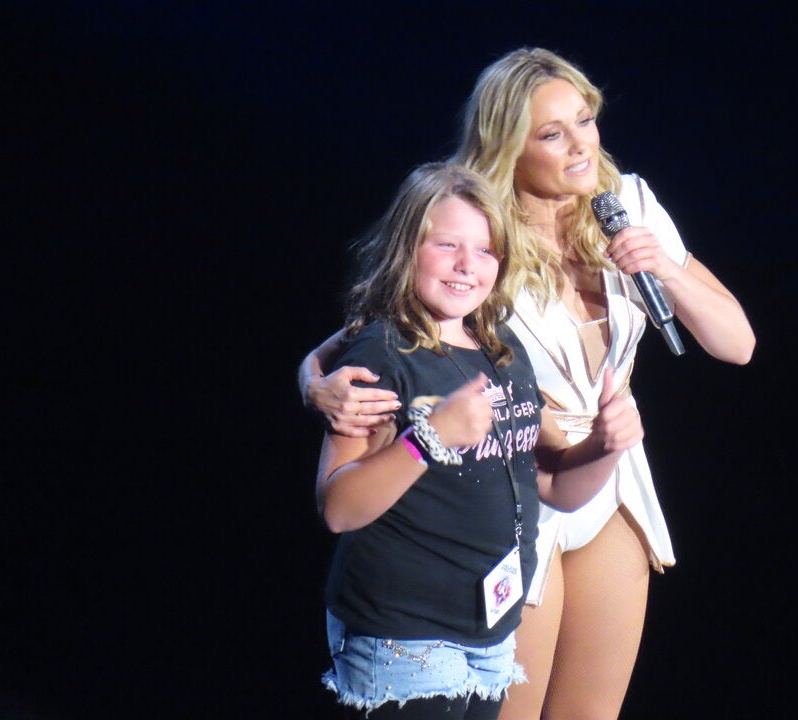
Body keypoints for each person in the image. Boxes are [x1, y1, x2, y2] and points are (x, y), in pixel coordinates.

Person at [303, 49, 756, 720]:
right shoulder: (478, 229)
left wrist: (664, 265)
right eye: (552, 134)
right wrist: (312, 383)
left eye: (585, 120)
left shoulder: (625, 204)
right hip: (516, 485)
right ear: (509, 146)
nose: (580, 145)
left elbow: (738, 344)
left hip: (604, 475)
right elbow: (367, 330)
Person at [315, 160, 645, 720]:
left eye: (486, 250)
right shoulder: (382, 355)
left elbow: (554, 487)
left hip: (489, 632)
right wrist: (429, 439)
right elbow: (339, 508)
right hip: (406, 635)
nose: (468, 265)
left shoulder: (500, 350)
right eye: (447, 245)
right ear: (407, 248)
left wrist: (606, 447)